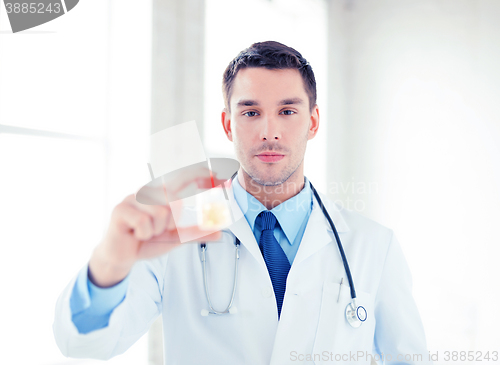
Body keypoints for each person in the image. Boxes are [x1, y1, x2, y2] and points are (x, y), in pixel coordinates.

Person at [53, 41, 431, 364]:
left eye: (287, 111)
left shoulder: (372, 245)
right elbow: (86, 343)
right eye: (250, 112)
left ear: (313, 122)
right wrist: (109, 263)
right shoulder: (177, 229)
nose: (269, 132)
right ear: (228, 124)